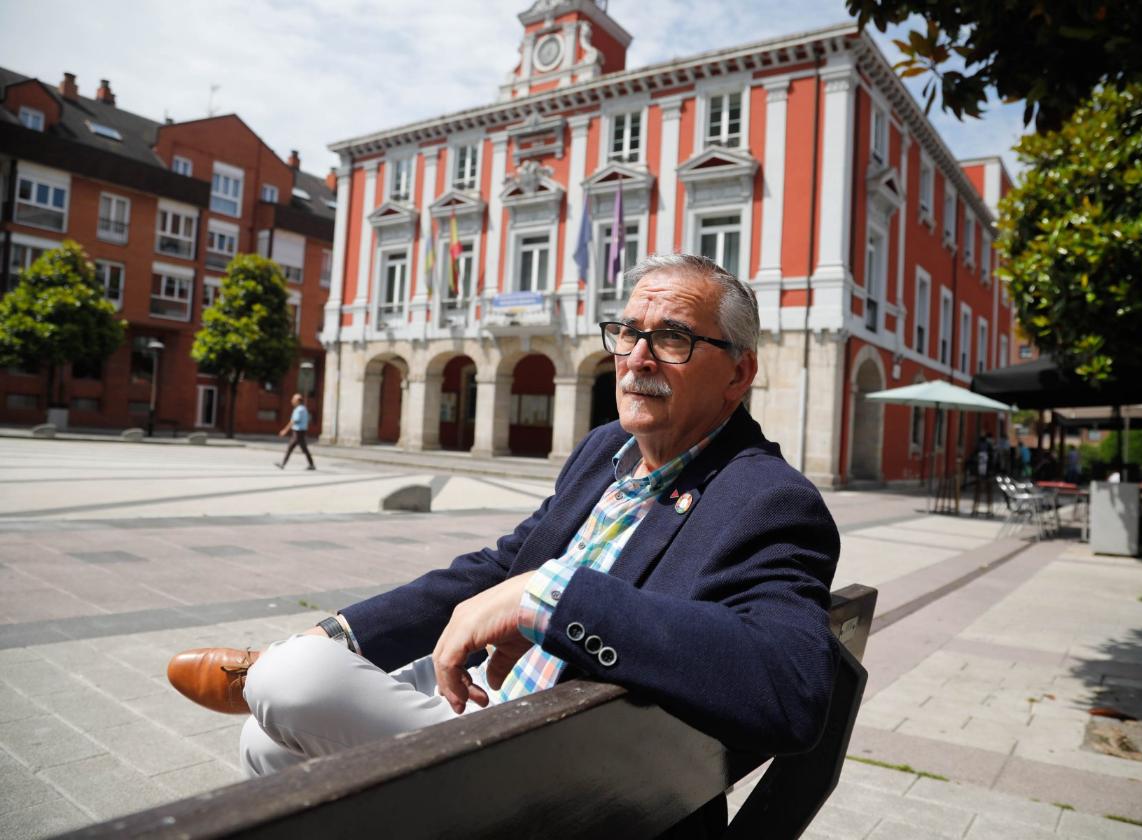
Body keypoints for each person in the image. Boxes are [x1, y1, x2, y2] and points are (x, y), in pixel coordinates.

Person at [167, 254, 840, 793]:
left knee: (294, 685)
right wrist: (344, 631)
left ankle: (274, 670)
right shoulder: (604, 449)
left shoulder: (767, 499)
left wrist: (550, 598)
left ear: (739, 372)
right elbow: (503, 565)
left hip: (573, 773)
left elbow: (791, 692)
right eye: (629, 332)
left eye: (673, 338)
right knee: (267, 736)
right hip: (495, 702)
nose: (636, 357)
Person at [276, 393, 315, 470]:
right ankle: (311, 464)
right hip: (301, 432)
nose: (292, 401)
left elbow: (293, 421)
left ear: (297, 401)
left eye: (293, 399)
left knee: (291, 447)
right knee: (304, 449)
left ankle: (283, 464)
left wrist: (285, 430)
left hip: (298, 432)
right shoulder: (303, 408)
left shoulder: (299, 410)